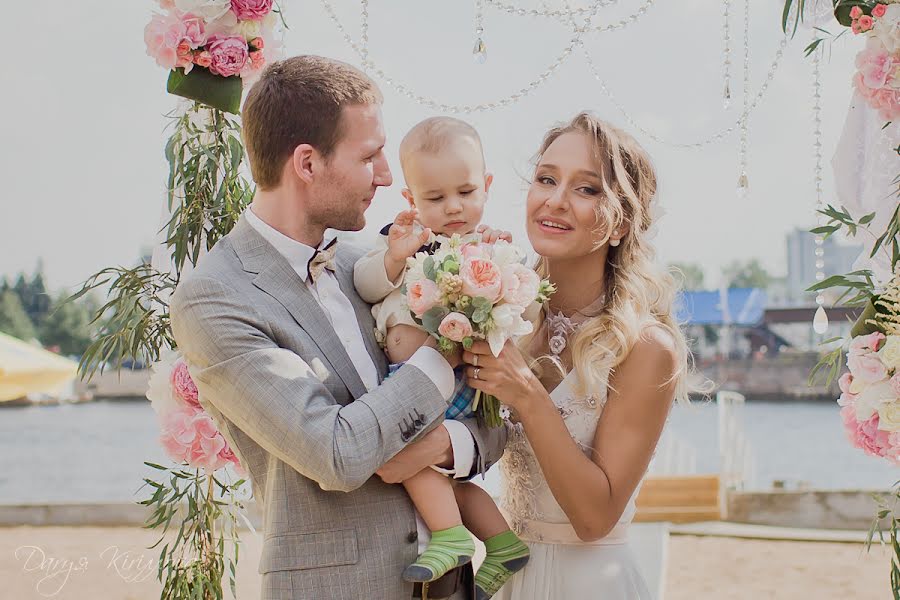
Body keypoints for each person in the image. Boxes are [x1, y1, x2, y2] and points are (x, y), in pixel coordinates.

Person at [169, 55, 507, 600]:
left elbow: (494, 413)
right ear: (307, 163)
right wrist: (445, 349)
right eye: (370, 156)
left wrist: (449, 446)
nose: (387, 175)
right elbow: (335, 453)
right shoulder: (216, 298)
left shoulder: (378, 262)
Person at [460, 112, 701, 599]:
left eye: (586, 189)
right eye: (546, 179)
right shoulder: (500, 316)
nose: (555, 200)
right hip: (508, 575)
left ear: (621, 222)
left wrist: (527, 394)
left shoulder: (646, 347)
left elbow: (595, 518)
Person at [354, 117, 530, 595]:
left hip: (451, 385)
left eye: (466, 192)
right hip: (410, 382)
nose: (453, 207)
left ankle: (452, 538)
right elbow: (366, 284)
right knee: (444, 477)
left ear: (487, 187)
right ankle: (502, 543)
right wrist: (395, 258)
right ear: (411, 198)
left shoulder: (491, 250)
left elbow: (513, 314)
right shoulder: (401, 239)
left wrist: (498, 272)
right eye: (434, 198)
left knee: (412, 458)